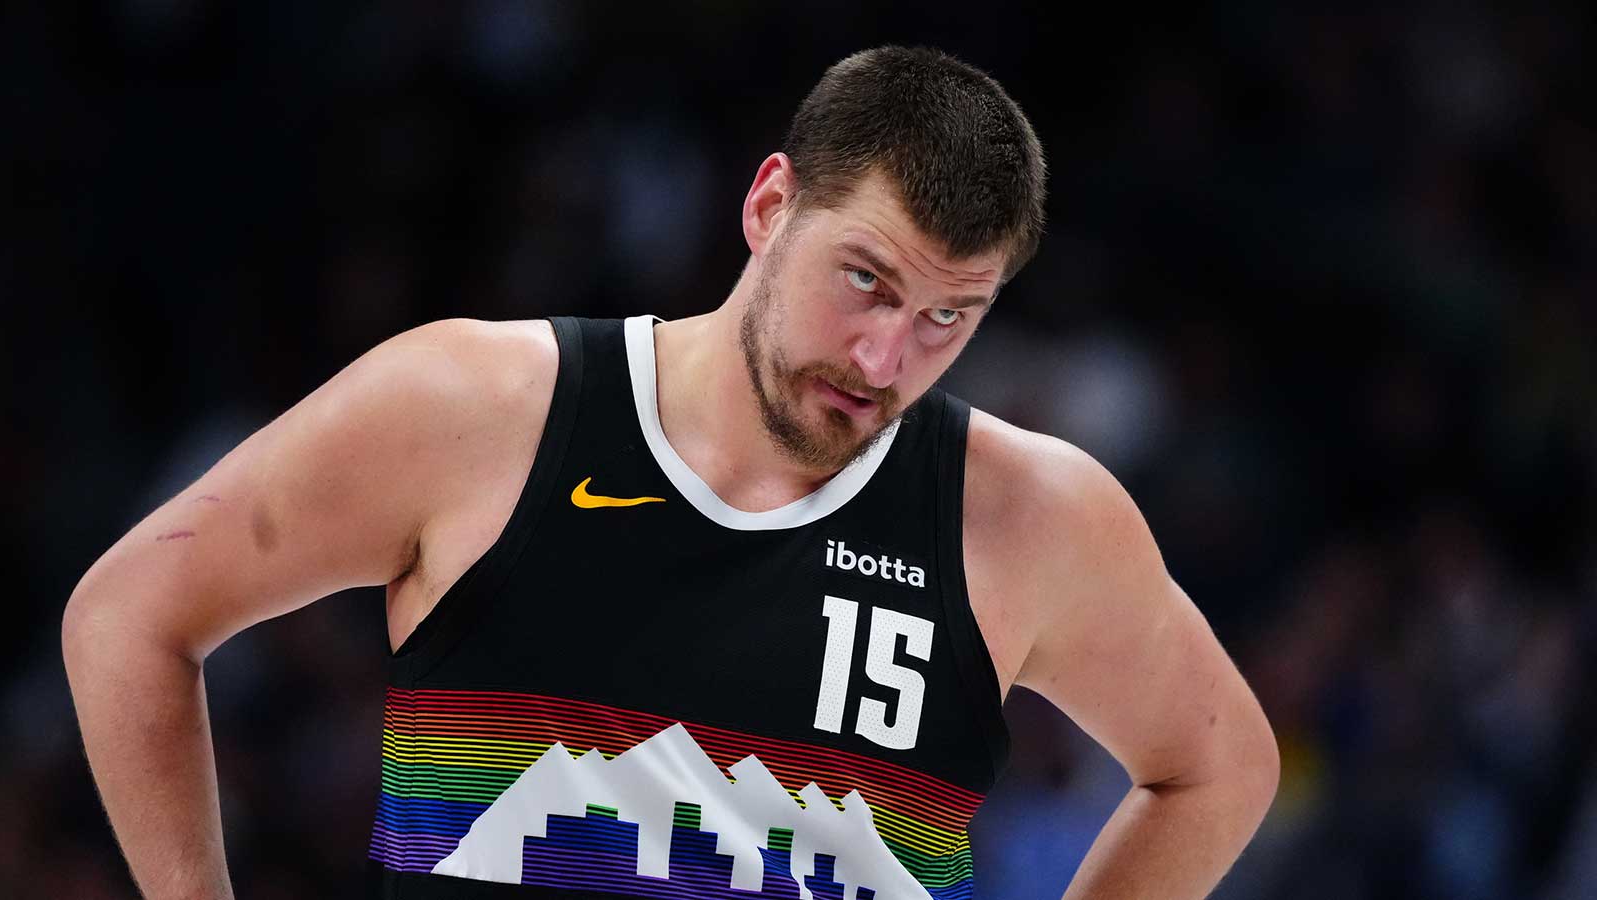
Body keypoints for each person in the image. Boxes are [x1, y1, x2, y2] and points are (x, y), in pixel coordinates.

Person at [63, 45, 1278, 900]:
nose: (882, 355)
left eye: (946, 318)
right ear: (768, 206)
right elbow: (131, 613)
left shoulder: (1028, 516)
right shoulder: (477, 408)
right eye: (864, 278)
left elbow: (1221, 765)